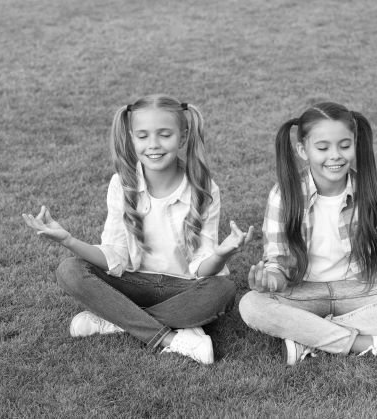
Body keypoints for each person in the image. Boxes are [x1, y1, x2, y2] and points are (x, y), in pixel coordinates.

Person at [23, 94, 253, 364]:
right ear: (131, 138)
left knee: (222, 290)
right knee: (69, 269)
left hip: (184, 289)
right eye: (142, 136)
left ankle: (117, 321)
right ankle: (170, 338)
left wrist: (222, 254)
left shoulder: (203, 188)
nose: (153, 145)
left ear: (182, 136)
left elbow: (203, 268)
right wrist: (69, 240)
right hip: (133, 283)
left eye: (164, 135)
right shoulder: (122, 184)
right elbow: (114, 256)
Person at [239, 102, 377, 365]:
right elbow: (278, 264)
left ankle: (310, 337)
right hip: (303, 293)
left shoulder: (372, 192)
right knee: (251, 304)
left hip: (360, 293)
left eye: (344, 146)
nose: (335, 155)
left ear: (355, 144)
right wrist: (269, 282)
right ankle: (364, 343)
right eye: (323, 148)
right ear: (303, 150)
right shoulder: (284, 195)